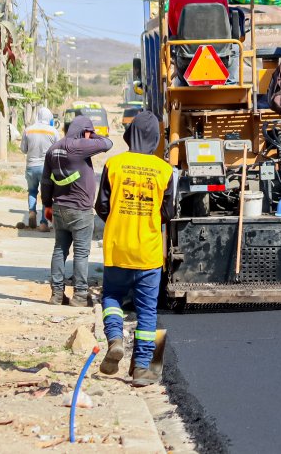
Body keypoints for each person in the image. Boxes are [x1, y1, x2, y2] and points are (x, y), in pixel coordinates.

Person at [93, 111, 173, 388]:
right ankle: (141, 368)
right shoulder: (164, 170)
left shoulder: (114, 164)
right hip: (148, 252)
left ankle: (115, 338)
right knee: (147, 311)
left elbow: (101, 206)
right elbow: (168, 212)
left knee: (112, 296)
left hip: (117, 247)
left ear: (129, 135)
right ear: (156, 139)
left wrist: (119, 221)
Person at [41, 114, 113, 307]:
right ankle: (80, 296)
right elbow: (108, 143)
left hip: (59, 207)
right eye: (89, 133)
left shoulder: (53, 149)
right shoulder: (79, 146)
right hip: (80, 210)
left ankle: (56, 295)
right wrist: (92, 135)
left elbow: (46, 181)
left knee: (59, 250)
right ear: (84, 132)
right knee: (81, 253)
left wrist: (47, 203)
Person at [20, 107, 58, 231]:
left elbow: (23, 149)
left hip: (31, 166)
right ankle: (44, 223)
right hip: (46, 169)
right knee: (47, 196)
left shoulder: (28, 130)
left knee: (32, 191)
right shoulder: (53, 132)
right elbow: (57, 151)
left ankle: (31, 211)